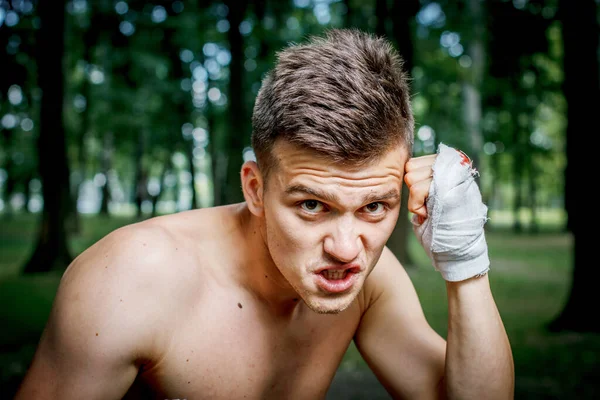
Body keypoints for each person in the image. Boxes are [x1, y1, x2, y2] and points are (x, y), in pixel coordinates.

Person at [14, 28, 514, 399]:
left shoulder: (371, 281)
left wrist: (464, 257)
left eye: (373, 206)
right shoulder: (131, 278)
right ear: (255, 188)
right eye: (312, 205)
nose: (345, 248)